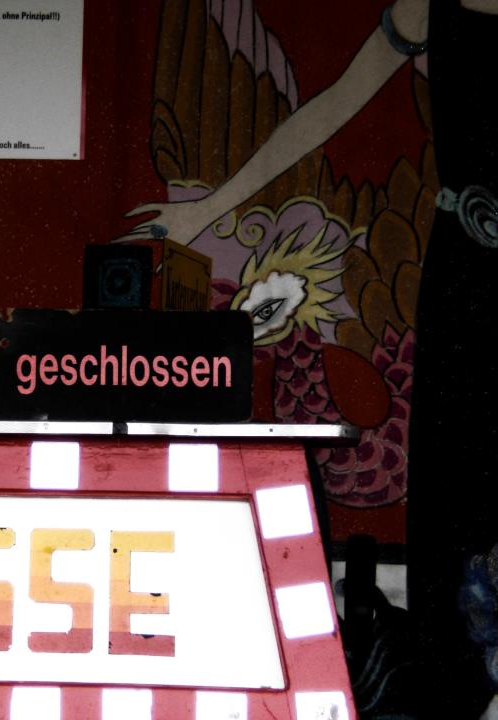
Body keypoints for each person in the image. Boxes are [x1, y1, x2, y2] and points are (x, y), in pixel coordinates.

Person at [124, 0, 498, 716]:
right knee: (453, 484)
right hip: (466, 271)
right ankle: (447, 683)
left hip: (468, 264)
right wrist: (206, 210)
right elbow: (329, 110)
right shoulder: (429, 6)